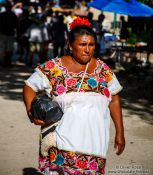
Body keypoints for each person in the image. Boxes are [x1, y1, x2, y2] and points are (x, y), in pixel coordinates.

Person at [23, 17, 125, 175]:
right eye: (82, 44)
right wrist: (31, 112)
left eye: (91, 45)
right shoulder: (55, 67)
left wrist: (120, 132)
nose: (87, 50)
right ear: (70, 46)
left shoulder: (103, 69)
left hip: (95, 144)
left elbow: (114, 101)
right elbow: (29, 86)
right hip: (62, 142)